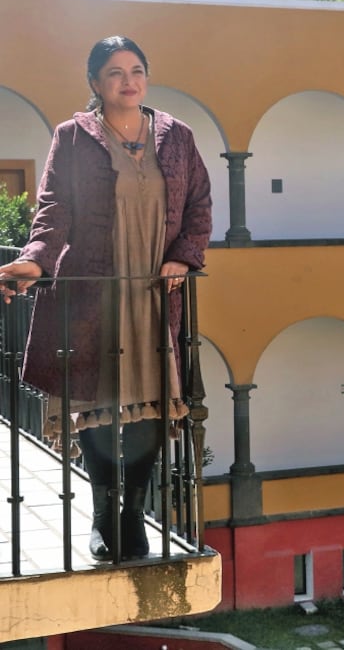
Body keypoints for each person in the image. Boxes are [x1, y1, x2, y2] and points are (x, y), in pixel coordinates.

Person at [0, 36, 212, 560]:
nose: (128, 80)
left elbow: (201, 206)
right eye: (114, 72)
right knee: (97, 406)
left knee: (151, 410)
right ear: (95, 82)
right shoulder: (73, 137)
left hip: (154, 297)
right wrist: (34, 261)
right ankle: (101, 514)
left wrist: (183, 257)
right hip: (96, 292)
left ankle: (133, 515)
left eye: (136, 69)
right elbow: (53, 209)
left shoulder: (177, 137)